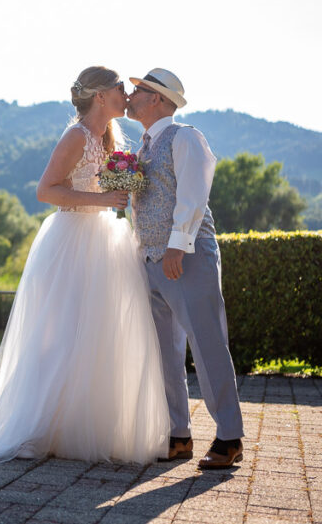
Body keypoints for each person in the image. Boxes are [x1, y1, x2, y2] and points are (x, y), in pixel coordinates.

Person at [0, 66, 170, 464]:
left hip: (105, 241)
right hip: (71, 241)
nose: (125, 94)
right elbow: (45, 190)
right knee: (60, 333)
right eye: (119, 87)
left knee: (100, 334)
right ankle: (36, 429)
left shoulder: (109, 138)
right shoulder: (76, 136)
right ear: (100, 96)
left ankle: (89, 428)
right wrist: (102, 200)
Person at [126, 68, 244, 469]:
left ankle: (229, 437)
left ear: (158, 99)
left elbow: (193, 195)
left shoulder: (185, 137)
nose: (130, 95)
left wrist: (176, 247)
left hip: (186, 256)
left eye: (138, 90)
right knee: (165, 352)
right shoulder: (143, 147)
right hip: (150, 259)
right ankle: (179, 434)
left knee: (207, 343)